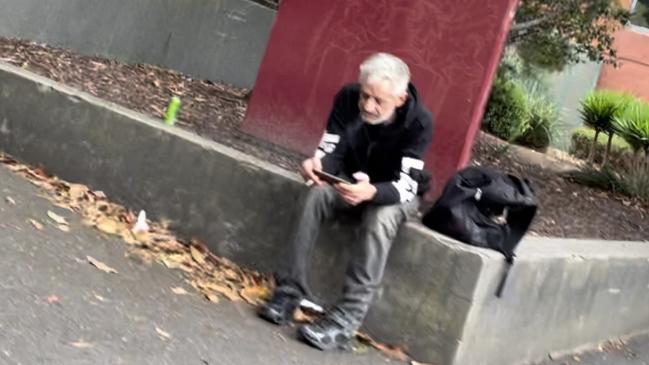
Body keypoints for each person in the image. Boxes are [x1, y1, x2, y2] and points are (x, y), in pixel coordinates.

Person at [259, 52, 434, 350]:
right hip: (348, 182)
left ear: (401, 99)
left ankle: (346, 320)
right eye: (365, 95)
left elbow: (407, 184)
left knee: (379, 218)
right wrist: (316, 165)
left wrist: (374, 192)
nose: (367, 105)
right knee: (314, 193)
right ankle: (289, 292)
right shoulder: (347, 98)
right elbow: (331, 150)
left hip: (393, 193)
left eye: (379, 101)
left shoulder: (419, 121)